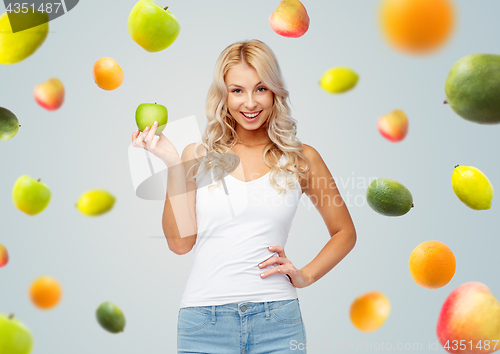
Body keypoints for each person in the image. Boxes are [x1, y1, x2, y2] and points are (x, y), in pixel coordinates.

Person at [132, 39, 357, 354]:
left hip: (278, 322)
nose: (250, 103)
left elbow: (344, 232)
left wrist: (305, 276)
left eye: (261, 88)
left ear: (275, 91)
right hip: (203, 323)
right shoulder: (196, 155)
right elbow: (180, 244)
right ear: (223, 94)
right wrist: (173, 165)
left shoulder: (302, 158)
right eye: (237, 90)